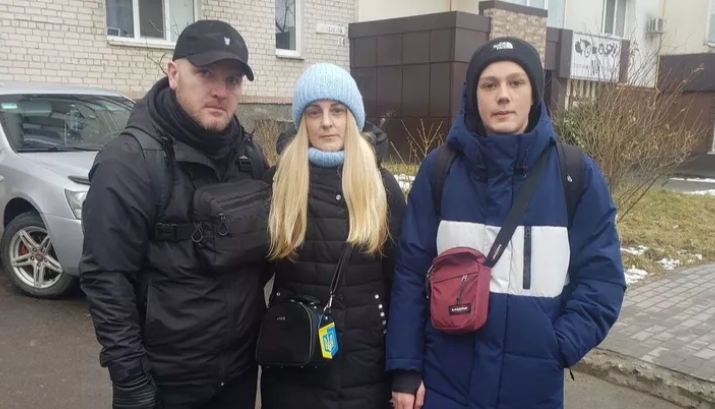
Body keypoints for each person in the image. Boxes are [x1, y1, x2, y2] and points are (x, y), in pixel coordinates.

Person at [386, 37, 626, 409]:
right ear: (472, 96)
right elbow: (409, 274)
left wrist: (560, 343)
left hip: (532, 389)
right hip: (445, 383)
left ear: (534, 95)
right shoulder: (439, 171)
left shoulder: (574, 174)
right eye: (489, 84)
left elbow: (602, 279)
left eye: (516, 82)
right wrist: (405, 367)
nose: (503, 95)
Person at [79, 20, 271, 409]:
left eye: (232, 80)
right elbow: (106, 277)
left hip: (238, 372)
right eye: (205, 74)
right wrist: (130, 377)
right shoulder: (129, 162)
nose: (220, 91)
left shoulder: (249, 158)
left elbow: (262, 260)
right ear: (173, 74)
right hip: (166, 380)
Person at [259, 62, 406, 409]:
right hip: (294, 364)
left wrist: (405, 367)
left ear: (352, 117)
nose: (326, 122)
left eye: (337, 110)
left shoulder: (381, 187)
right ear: (303, 121)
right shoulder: (278, 184)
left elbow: (403, 284)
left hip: (364, 366)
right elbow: (248, 277)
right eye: (315, 112)